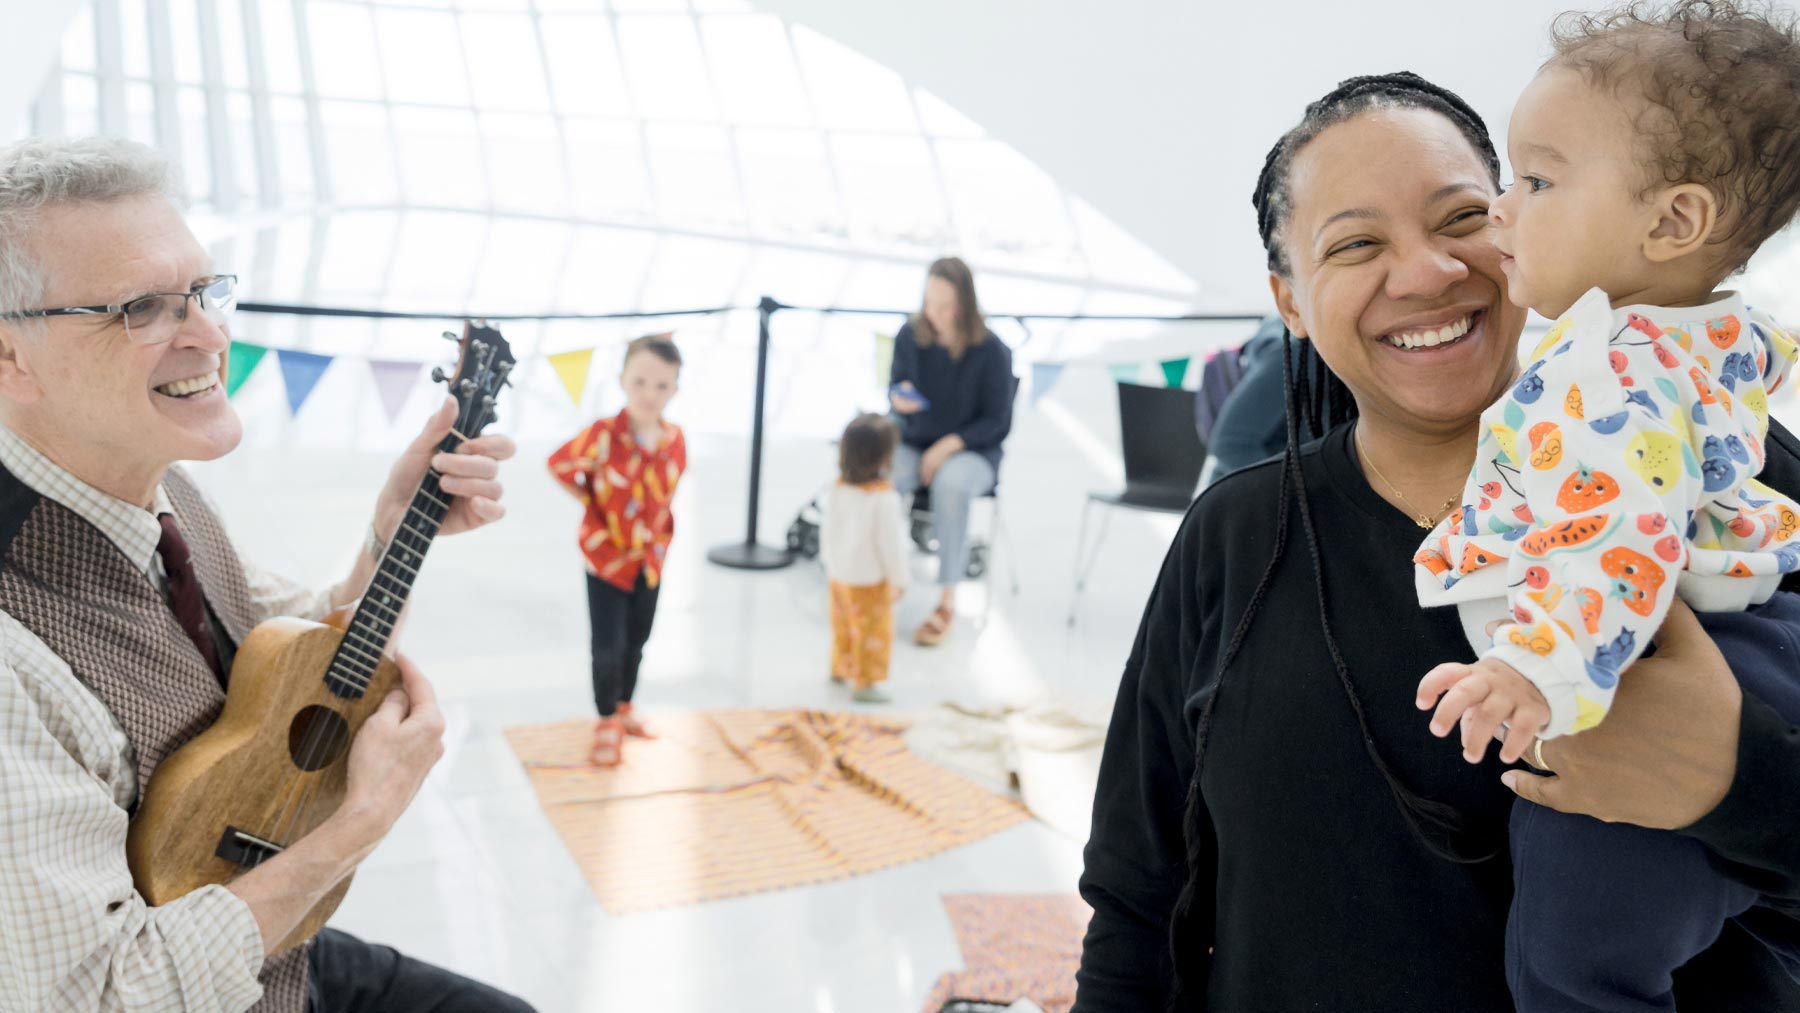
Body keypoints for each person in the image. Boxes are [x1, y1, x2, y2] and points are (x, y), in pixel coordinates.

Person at [1074, 70, 1800, 1012]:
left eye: (1462, 218)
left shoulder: (1731, 483)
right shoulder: (1239, 534)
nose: (1425, 273)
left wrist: (1737, 779)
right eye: (1356, 243)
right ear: (1289, 300)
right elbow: (1139, 895)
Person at [0, 137, 532, 1011]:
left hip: (281, 957)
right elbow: (97, 994)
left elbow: (289, 639)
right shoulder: (14, 653)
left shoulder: (160, 489)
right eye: (142, 307)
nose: (211, 335)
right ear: (10, 359)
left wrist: (389, 531)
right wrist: (361, 821)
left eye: (205, 292)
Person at [1407, 6, 1800, 1008]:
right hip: (1769, 637)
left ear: (1672, 222)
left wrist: (1535, 671)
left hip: (1644, 659)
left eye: (1536, 180)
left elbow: (1614, 537)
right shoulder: (1710, 332)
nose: (1502, 209)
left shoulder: (1607, 361)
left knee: (1571, 964)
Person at [546, 333, 686, 767]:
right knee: (607, 646)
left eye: (662, 386)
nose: (650, 394)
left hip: (651, 559)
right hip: (606, 559)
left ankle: (625, 706)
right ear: (623, 380)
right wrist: (594, 501)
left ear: (675, 389)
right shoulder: (603, 435)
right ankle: (605, 717)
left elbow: (669, 488)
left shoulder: (674, 438)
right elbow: (560, 464)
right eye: (640, 382)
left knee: (638, 641)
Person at [822, 413, 909, 704]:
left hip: (838, 575)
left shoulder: (838, 487)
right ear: (885, 458)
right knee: (872, 634)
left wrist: (830, 563)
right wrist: (899, 579)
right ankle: (865, 682)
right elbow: (891, 547)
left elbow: (828, 529)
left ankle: (840, 667)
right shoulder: (884, 499)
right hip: (870, 581)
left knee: (843, 627)